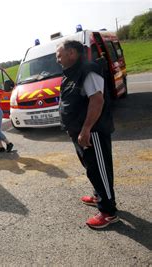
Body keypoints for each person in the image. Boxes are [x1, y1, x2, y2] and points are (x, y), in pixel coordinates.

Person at [56, 40, 117, 229]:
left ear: (72, 53)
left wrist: (86, 129)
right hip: (79, 131)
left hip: (93, 132)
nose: (57, 58)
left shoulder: (88, 70)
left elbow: (97, 100)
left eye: (59, 54)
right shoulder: (71, 73)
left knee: (100, 170)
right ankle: (99, 196)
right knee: (91, 168)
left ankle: (108, 212)